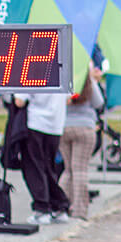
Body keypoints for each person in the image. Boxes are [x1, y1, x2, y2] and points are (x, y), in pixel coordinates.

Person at [13, 85, 70, 224]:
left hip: (36, 123)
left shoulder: (32, 69)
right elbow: (68, 99)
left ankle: (42, 208)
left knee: (34, 167)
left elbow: (19, 101)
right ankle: (58, 206)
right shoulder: (63, 69)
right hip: (56, 125)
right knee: (49, 167)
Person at [60, 63, 105, 220]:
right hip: (85, 128)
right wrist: (93, 80)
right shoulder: (87, 80)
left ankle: (62, 207)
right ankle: (79, 210)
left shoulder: (62, 79)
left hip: (64, 127)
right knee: (80, 170)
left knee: (68, 170)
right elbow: (99, 103)